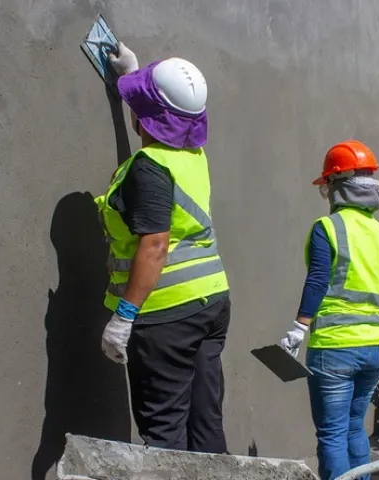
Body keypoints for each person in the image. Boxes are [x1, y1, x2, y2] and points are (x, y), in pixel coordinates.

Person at [97, 43, 231, 454]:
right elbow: (160, 131)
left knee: (164, 431)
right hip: (211, 304)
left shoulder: (151, 168)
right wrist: (131, 77)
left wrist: (124, 316)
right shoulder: (193, 154)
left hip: (166, 315)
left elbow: (154, 245)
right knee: (205, 421)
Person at [278, 140, 379, 480]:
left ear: (337, 185)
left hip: (336, 346)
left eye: (327, 185)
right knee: (354, 428)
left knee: (331, 434)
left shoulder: (328, 228)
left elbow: (318, 280)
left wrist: (299, 327)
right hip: (377, 347)